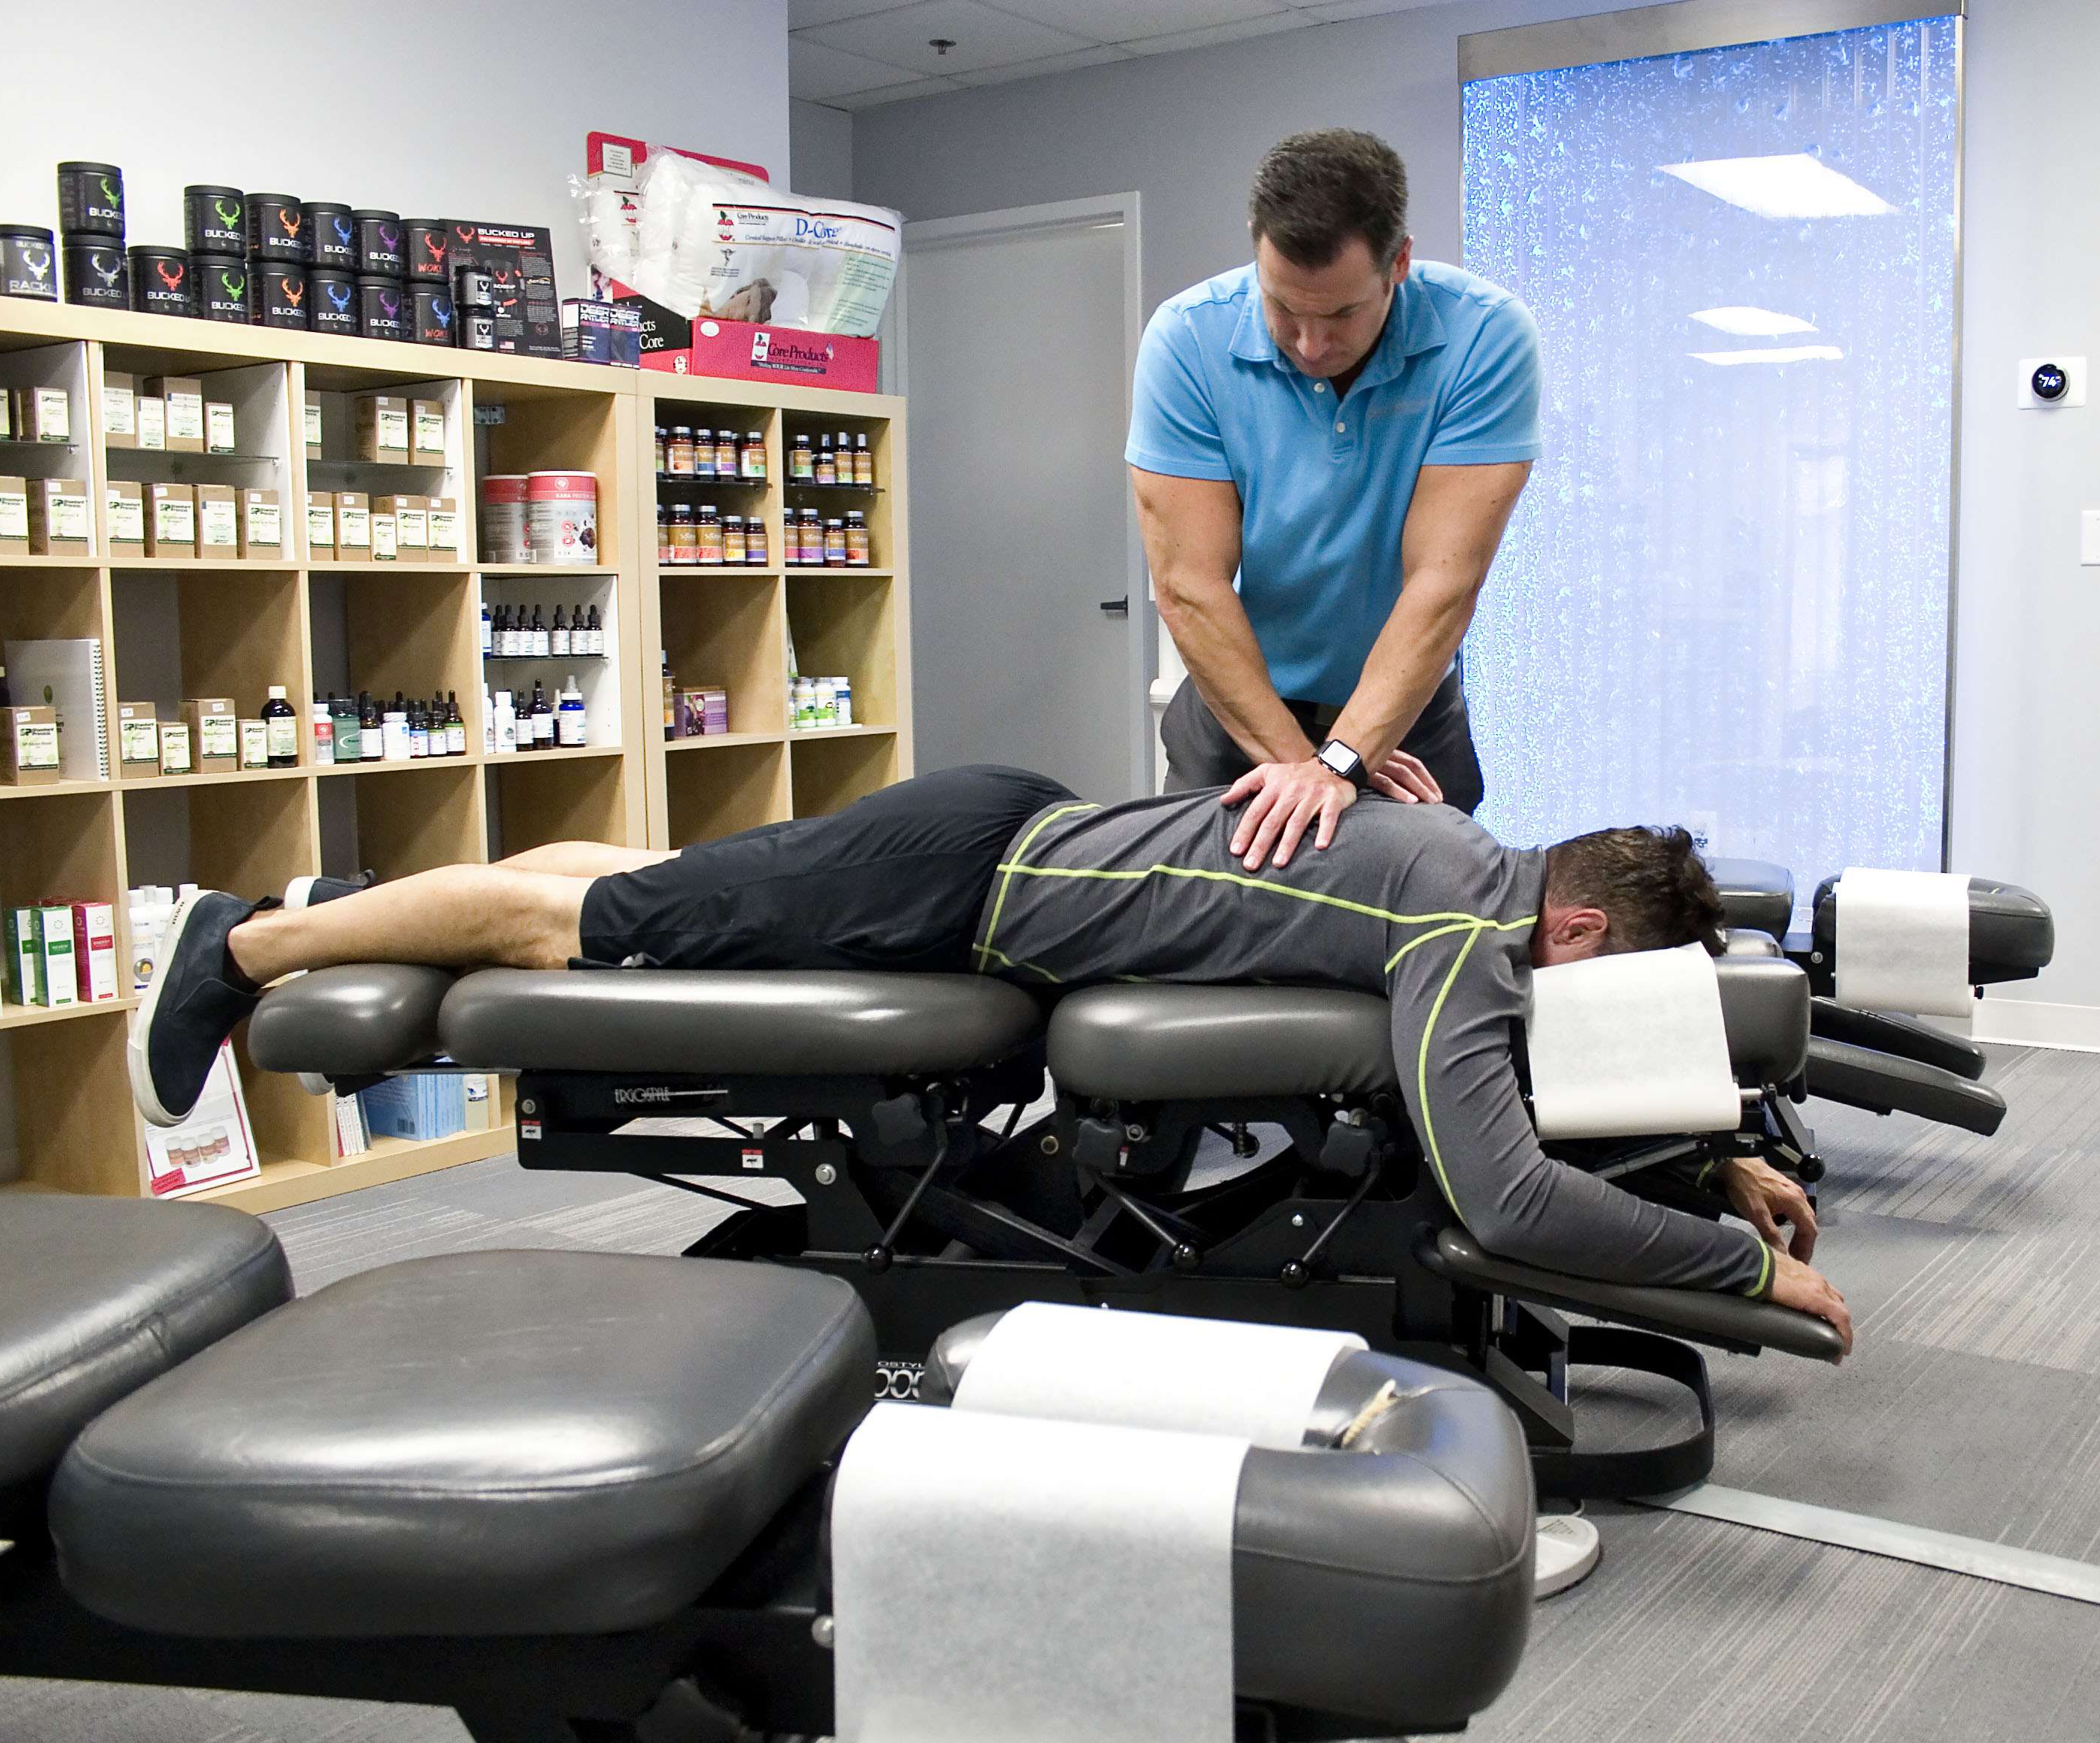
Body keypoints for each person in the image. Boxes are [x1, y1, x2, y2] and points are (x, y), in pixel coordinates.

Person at [133, 765, 1849, 1351]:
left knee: (629, 894)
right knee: (566, 932)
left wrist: (1703, 1157)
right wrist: (1735, 1266)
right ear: (1575, 936)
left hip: (989, 861)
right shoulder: (1457, 934)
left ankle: (355, 903)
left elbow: (1522, 1099)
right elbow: (1498, 1178)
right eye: (1612, 986)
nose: (1588, 1006)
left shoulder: (1467, 865)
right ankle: (244, 939)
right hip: (972, 883)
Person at [1133, 129, 1542, 872]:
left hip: (1406, 712)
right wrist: (1318, 770)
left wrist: (1350, 752)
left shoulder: (1483, 336)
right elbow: (1188, 585)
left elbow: (1443, 581)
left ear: (1401, 264)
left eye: (1344, 314)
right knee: (1206, 930)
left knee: (1423, 927)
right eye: (1284, 308)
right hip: (1240, 708)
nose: (1311, 344)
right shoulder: (1187, 339)